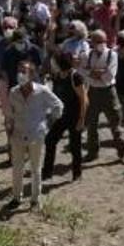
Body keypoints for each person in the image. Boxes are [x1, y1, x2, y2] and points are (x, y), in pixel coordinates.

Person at [6, 60, 64, 210]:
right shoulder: (13, 92)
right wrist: (9, 132)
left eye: (24, 71)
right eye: (19, 71)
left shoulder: (42, 91)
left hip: (36, 135)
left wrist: (49, 123)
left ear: (31, 74)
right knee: (17, 168)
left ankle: (35, 199)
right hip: (18, 135)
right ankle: (16, 197)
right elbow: (9, 115)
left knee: (35, 168)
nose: (20, 75)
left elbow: (58, 105)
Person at [43, 53, 87, 181]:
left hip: (74, 116)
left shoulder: (75, 76)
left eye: (54, 63)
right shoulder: (56, 76)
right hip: (61, 116)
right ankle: (47, 171)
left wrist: (81, 120)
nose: (52, 65)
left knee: (75, 146)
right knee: (50, 140)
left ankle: (77, 173)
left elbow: (84, 100)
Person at [83, 29, 124, 160]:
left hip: (108, 92)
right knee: (91, 124)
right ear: (92, 42)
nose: (101, 44)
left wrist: (93, 72)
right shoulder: (87, 55)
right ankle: (92, 152)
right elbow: (83, 73)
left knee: (115, 123)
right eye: (98, 42)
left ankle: (122, 152)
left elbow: (109, 75)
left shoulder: (112, 55)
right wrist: (97, 73)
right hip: (93, 92)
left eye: (103, 41)